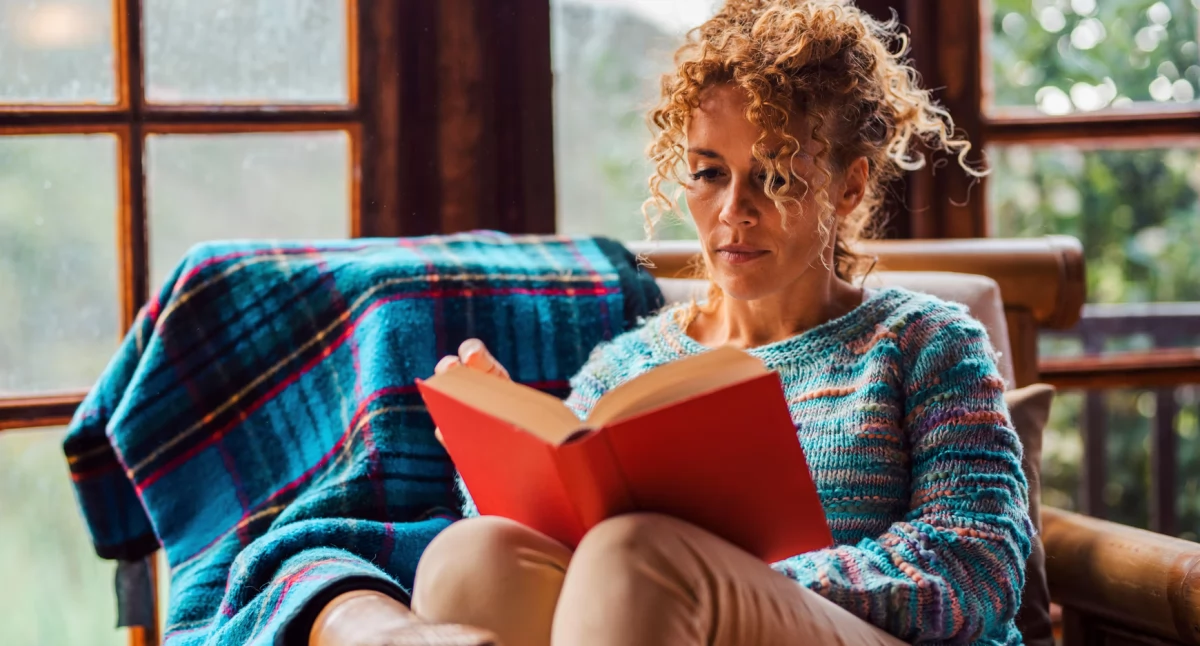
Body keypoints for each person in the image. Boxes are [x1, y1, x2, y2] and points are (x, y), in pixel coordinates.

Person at [310, 1, 1031, 644]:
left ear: (848, 186)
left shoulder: (926, 342)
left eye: (775, 176)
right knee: (473, 556)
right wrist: (493, 452)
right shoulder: (626, 368)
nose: (733, 211)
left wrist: (729, 575)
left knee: (635, 556)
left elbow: (977, 566)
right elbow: (550, 553)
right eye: (710, 171)